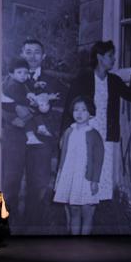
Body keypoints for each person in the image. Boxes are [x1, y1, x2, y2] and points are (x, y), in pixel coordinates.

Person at [61, 40, 131, 210]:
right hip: (83, 135)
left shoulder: (114, 80)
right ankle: (76, 219)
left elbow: (130, 95)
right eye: (110, 56)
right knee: (80, 173)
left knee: (98, 177)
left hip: (105, 137)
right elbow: (69, 107)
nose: (114, 59)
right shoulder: (83, 78)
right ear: (100, 57)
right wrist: (64, 135)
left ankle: (90, 217)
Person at [2, 39, 64, 229]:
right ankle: (8, 227)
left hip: (41, 138)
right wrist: (12, 118)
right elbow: (0, 103)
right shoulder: (9, 79)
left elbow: (59, 108)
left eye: (37, 52)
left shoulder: (53, 81)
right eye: (28, 52)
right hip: (15, 137)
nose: (32, 56)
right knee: (10, 183)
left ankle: (33, 229)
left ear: (43, 56)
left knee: (38, 186)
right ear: (22, 54)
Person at [53, 95, 104, 235]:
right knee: (74, 209)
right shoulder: (69, 132)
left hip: (85, 177)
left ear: (90, 114)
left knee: (86, 211)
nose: (79, 113)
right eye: (76, 110)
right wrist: (60, 175)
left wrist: (95, 180)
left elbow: (98, 160)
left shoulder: (94, 134)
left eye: (84, 110)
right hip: (70, 174)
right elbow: (63, 156)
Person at [2, 58, 59, 146]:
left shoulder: (22, 80)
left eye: (25, 72)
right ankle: (31, 136)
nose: (23, 75)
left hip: (20, 102)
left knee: (34, 110)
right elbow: (19, 98)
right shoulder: (12, 85)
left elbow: (28, 84)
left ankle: (41, 127)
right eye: (19, 72)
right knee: (28, 113)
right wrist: (30, 102)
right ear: (12, 74)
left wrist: (36, 85)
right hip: (11, 107)